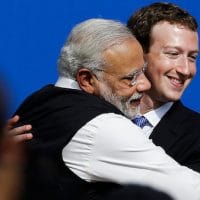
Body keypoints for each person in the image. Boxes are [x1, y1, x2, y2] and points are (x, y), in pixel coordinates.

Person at [13, 19, 200, 200]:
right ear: (86, 80)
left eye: (142, 71)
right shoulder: (102, 126)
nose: (144, 84)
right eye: (131, 78)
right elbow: (191, 190)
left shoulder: (35, 104)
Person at [127, 2, 200, 172]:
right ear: (137, 52)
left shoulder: (196, 136)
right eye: (173, 54)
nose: (185, 69)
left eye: (192, 57)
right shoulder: (94, 113)